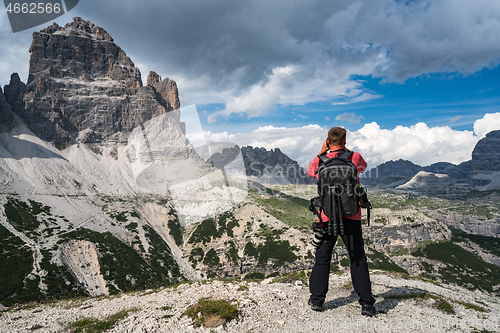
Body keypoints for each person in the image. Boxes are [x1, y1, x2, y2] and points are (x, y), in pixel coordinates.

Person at [307, 126, 376, 316]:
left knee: (323, 258)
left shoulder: (319, 160)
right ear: (345, 140)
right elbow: (364, 166)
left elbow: (310, 172)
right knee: (357, 258)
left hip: (326, 217)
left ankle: (317, 300)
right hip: (351, 216)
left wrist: (323, 151)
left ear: (328, 141)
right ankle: (367, 304)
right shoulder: (355, 157)